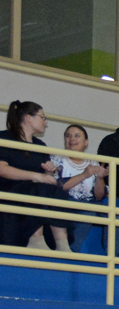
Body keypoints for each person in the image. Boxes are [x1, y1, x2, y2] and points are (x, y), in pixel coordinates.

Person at [0, 100, 75, 251]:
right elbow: (2, 169)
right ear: (28, 118)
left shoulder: (40, 145)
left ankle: (62, 243)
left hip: (35, 188)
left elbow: (44, 177)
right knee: (35, 190)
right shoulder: (5, 138)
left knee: (56, 191)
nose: (45, 122)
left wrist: (48, 171)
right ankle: (36, 239)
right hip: (10, 189)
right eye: (42, 117)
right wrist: (36, 176)